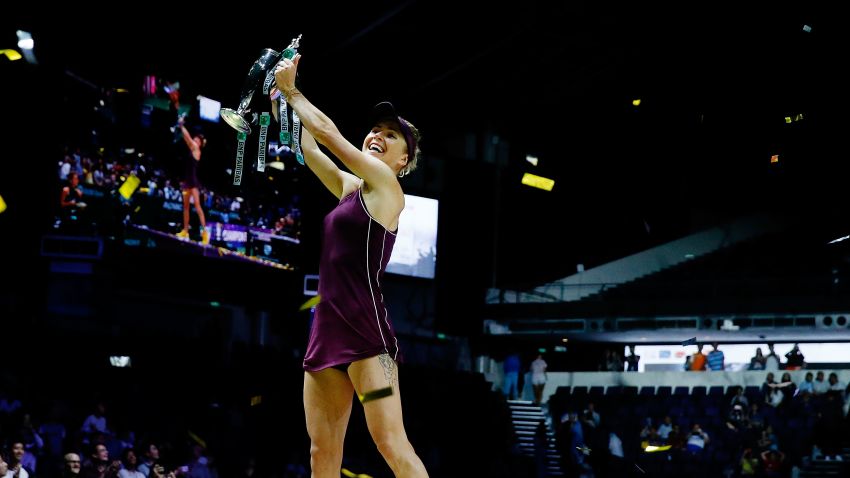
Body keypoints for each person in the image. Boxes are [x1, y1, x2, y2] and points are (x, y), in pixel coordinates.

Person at [272, 54, 427, 477]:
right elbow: (308, 146)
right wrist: (278, 105)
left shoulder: (387, 188)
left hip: (367, 337)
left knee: (392, 445)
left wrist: (293, 91)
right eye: (376, 128)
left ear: (401, 162)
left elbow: (327, 133)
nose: (378, 135)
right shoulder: (349, 187)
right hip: (326, 331)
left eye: (392, 136)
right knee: (322, 454)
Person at [175, 117, 209, 245]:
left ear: (200, 143)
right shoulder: (192, 148)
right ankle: (185, 231)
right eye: (195, 138)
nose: (195, 139)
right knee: (185, 207)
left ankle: (205, 233)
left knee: (197, 206)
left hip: (193, 181)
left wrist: (181, 125)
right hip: (186, 181)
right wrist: (181, 128)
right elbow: (186, 139)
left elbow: (188, 139)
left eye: (197, 139)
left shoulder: (196, 149)